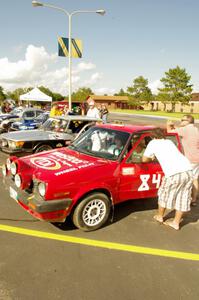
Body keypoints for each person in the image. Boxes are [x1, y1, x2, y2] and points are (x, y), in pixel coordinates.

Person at [142, 127, 193, 231]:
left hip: (173, 173)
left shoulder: (153, 143)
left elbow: (144, 159)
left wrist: (151, 158)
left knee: (164, 194)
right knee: (183, 197)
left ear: (153, 137)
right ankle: (176, 223)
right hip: (188, 171)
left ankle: (160, 216)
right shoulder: (169, 142)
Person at [167, 115, 199, 206]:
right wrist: (176, 127)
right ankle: (194, 199)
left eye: (182, 120)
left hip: (189, 159)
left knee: (186, 178)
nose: (180, 121)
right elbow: (180, 130)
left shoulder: (185, 130)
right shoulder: (195, 129)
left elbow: (169, 132)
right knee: (195, 178)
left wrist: (169, 124)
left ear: (187, 121)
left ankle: (184, 199)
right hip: (197, 158)